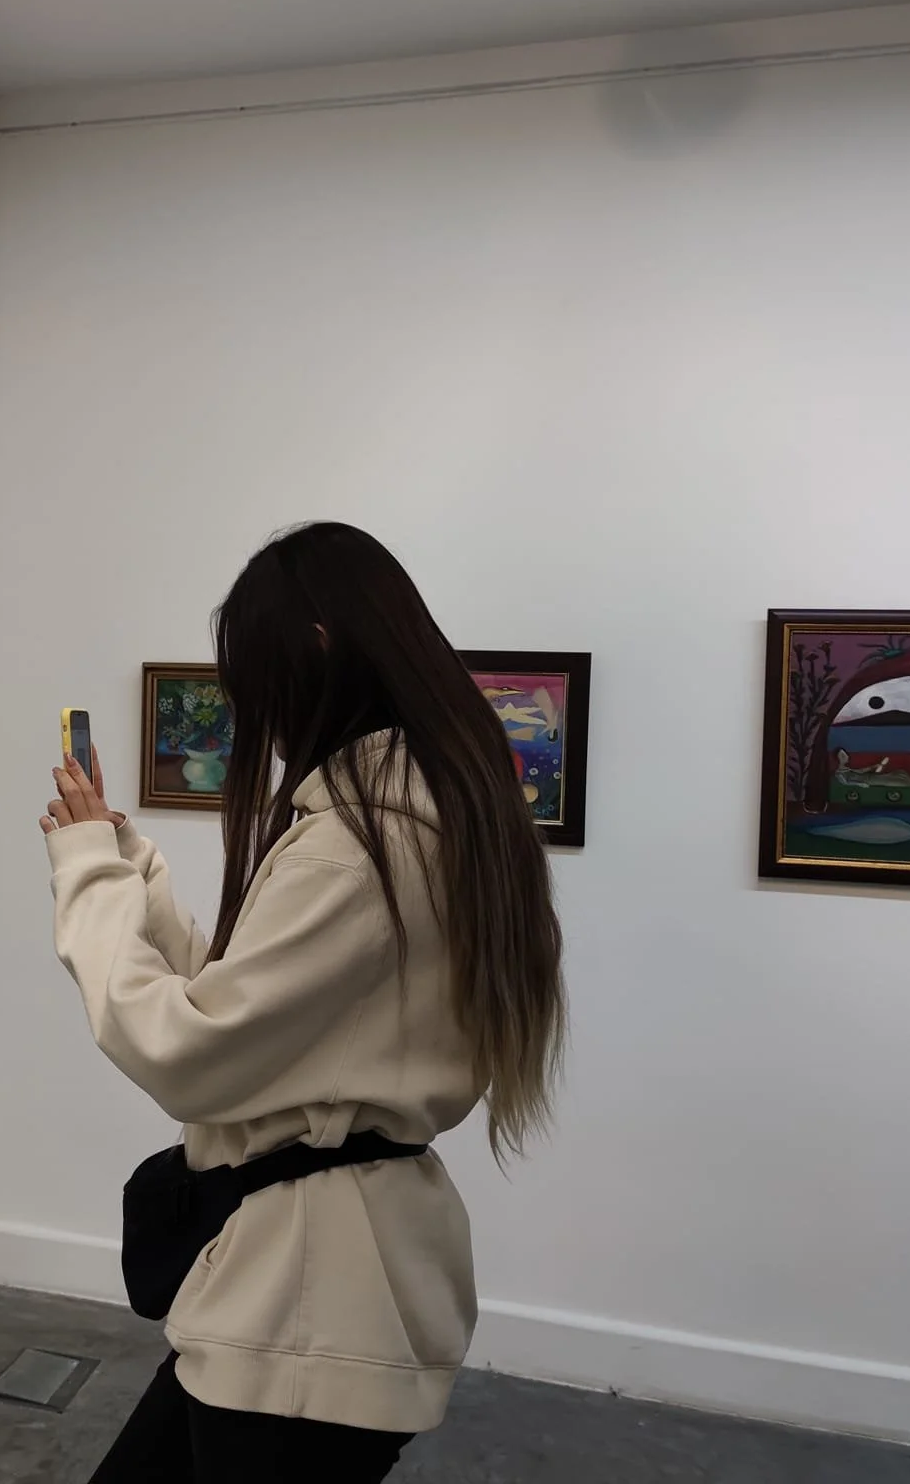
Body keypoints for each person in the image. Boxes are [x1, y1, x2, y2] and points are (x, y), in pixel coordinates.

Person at [39, 522, 566, 1484]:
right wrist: (131, 864)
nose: (259, 718)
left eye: (260, 684)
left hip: (308, 1309)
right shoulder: (435, 810)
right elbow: (267, 1012)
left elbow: (189, 1052)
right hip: (325, 1287)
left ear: (318, 649)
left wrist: (85, 876)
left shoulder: (358, 844)